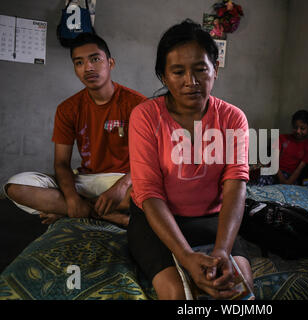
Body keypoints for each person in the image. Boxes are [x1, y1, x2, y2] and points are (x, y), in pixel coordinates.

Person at [127, 19, 253, 300]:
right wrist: (185, 256)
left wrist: (222, 250)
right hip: (155, 221)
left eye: (200, 70)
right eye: (178, 72)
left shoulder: (233, 118)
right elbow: (149, 193)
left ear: (215, 70)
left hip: (211, 219)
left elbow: (235, 186)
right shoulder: (145, 117)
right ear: (163, 77)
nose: (190, 82)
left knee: (240, 288)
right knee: (176, 293)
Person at [3, 33, 147, 227]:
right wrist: (71, 199)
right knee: (15, 187)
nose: (88, 68)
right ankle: (105, 214)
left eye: (95, 59)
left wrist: (120, 187)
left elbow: (149, 159)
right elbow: (61, 163)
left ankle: (68, 211)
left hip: (126, 180)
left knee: (161, 192)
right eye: (79, 63)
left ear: (110, 63)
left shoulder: (138, 104)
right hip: (85, 181)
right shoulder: (68, 108)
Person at [253, 109, 308, 186]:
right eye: (295, 127)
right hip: (274, 170)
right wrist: (282, 180)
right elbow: (274, 162)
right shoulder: (282, 138)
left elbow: (299, 170)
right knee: (262, 179)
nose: (298, 131)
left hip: (290, 176)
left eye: (302, 128)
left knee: (291, 190)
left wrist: (287, 183)